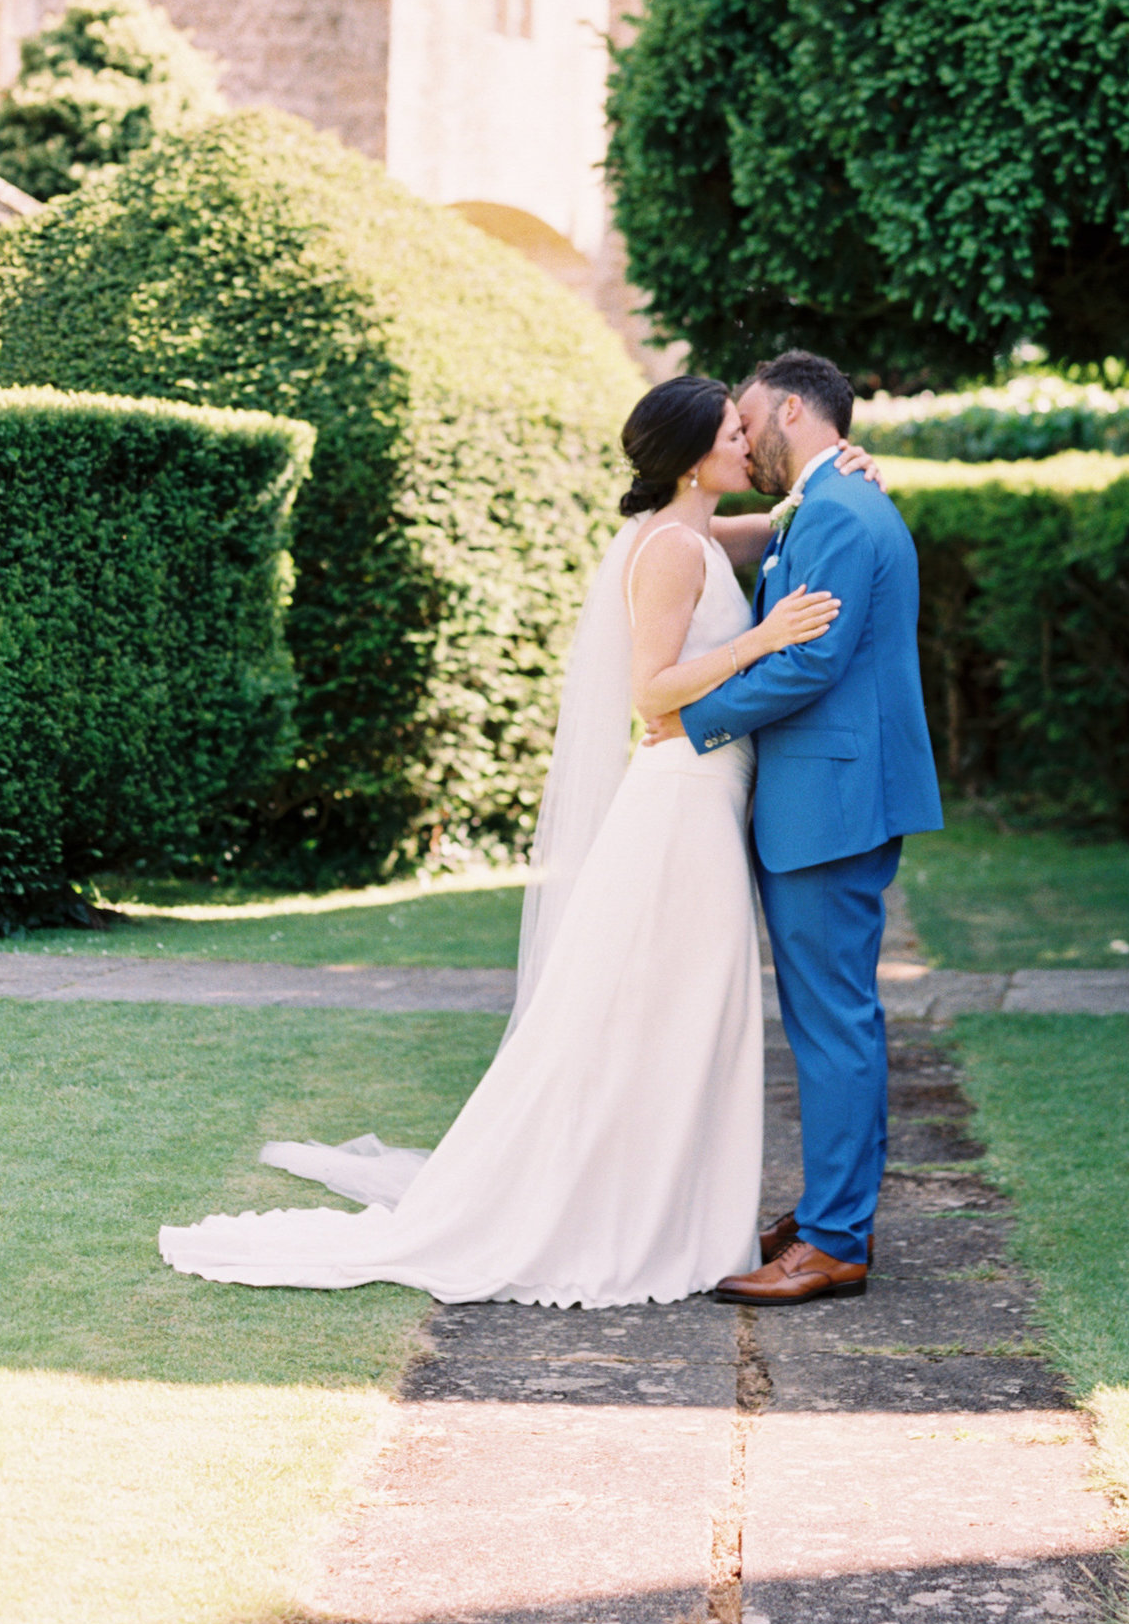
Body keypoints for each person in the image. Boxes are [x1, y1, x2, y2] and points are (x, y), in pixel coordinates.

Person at [155, 375, 871, 1308]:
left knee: (683, 1019)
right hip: (680, 812)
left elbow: (773, 524)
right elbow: (651, 692)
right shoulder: (667, 550)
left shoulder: (692, 533)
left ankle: (675, 1206)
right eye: (735, 433)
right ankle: (630, 1216)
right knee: (661, 1015)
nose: (748, 443)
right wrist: (762, 638)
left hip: (704, 803)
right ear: (696, 454)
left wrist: (829, 482)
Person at [660, 349, 945, 1307]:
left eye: (746, 422)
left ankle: (832, 1240)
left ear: (791, 408)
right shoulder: (824, 504)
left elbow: (811, 663)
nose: (742, 438)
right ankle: (836, 1212)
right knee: (835, 1018)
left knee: (833, 1025)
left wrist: (690, 724)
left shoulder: (838, 508)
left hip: (831, 802)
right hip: (829, 794)